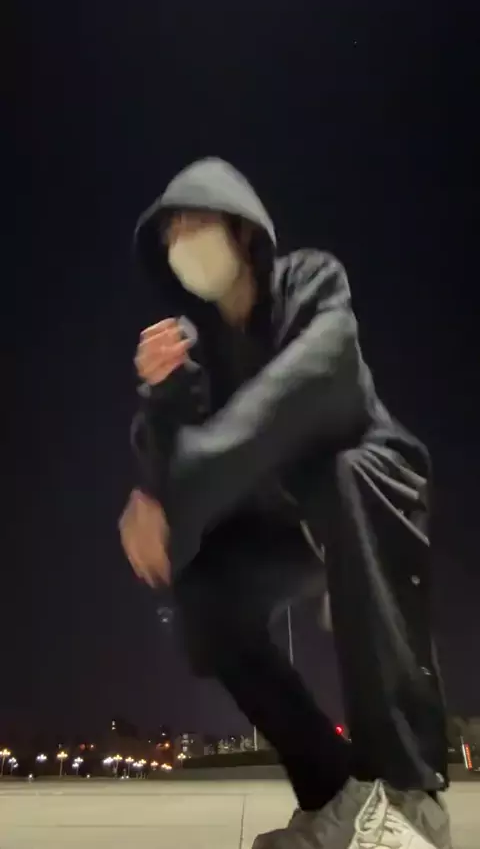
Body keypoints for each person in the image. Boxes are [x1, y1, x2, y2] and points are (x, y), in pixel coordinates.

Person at [119, 158, 451, 849]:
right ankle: (334, 794)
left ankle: (408, 799)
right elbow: (174, 453)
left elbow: (318, 379)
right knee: (206, 597)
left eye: (194, 222)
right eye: (171, 232)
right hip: (287, 520)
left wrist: (182, 487)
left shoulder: (310, 280)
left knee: (344, 474)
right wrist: (164, 400)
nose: (181, 241)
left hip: (372, 482)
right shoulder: (203, 341)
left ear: (241, 230)